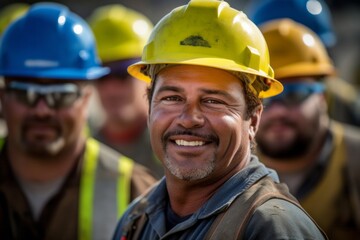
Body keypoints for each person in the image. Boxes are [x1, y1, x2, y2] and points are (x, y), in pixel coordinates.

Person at [112, 0, 327, 239]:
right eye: (172, 97)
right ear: (150, 109)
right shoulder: (136, 219)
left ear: (253, 119)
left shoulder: (272, 228)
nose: (188, 119)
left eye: (213, 101)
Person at [0, 3, 157, 240]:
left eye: (61, 94)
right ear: (3, 96)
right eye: (25, 93)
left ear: (86, 98)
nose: (42, 111)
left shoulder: (135, 191)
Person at [255, 19, 360, 239]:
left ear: (322, 96)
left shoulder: (355, 161)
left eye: (294, 94)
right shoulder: (228, 174)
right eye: (265, 98)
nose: (277, 112)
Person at [87, 4, 163, 179]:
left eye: (122, 73)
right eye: (102, 76)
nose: (111, 89)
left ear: (148, 75)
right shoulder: (79, 153)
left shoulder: (179, 144)